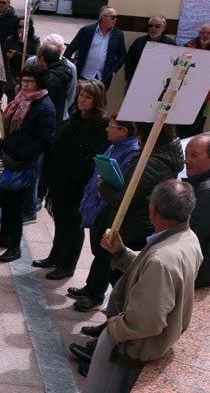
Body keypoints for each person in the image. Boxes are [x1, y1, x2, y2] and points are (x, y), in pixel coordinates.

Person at [37, 180, 202, 393]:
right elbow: (148, 268)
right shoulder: (186, 238)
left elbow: (147, 320)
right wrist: (122, 252)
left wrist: (114, 328)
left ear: (153, 210)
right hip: (132, 336)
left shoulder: (164, 258)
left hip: (129, 342)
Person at [71, 122, 184, 312]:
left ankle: (112, 320)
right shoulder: (152, 156)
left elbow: (127, 199)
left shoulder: (153, 162)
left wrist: (103, 187)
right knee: (105, 258)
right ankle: (96, 295)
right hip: (127, 222)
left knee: (121, 279)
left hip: (134, 227)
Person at [35, 80, 111, 279]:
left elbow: (94, 156)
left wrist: (79, 179)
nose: (82, 100)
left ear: (97, 101)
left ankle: (68, 265)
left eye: (87, 97)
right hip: (61, 178)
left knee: (73, 226)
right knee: (61, 221)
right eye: (81, 95)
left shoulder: (101, 124)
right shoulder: (76, 116)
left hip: (79, 184)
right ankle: (55, 256)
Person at [0, 63, 56, 262]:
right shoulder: (19, 100)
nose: (24, 84)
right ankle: (3, 237)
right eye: (23, 80)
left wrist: (18, 155)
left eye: (29, 81)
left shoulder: (44, 106)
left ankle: (14, 246)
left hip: (23, 164)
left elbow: (44, 140)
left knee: (16, 208)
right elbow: (4, 126)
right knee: (5, 202)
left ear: (39, 83)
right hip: (8, 159)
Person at [183, 133, 210, 287]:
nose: (187, 160)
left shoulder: (209, 191)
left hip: (199, 271)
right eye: (186, 154)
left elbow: (191, 236)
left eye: (194, 155)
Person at [64, 6, 126, 89]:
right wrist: (66, 67)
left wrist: (112, 71)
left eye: (116, 17)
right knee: (80, 101)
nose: (115, 20)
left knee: (98, 102)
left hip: (102, 79)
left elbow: (122, 55)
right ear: (103, 17)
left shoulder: (118, 34)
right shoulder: (86, 31)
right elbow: (71, 48)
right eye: (113, 17)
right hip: (83, 76)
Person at [180, 23, 210, 137]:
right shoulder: (187, 46)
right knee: (179, 122)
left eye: (208, 33)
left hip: (204, 95)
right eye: (203, 32)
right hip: (184, 92)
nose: (205, 35)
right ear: (199, 34)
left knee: (196, 124)